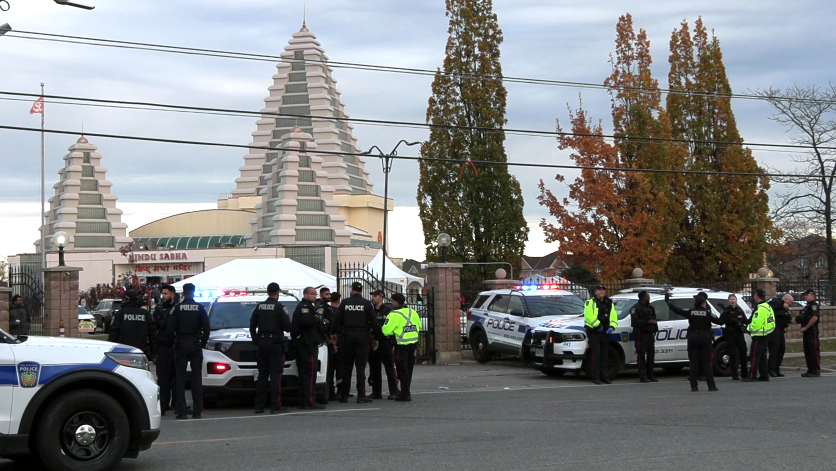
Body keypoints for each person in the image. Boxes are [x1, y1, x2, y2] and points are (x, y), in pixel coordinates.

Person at [165, 283, 210, 419]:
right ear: (194, 292)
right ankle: (197, 411)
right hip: (195, 343)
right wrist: (202, 343)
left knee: (180, 379)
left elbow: (169, 330)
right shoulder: (200, 308)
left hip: (181, 344)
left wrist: (174, 343)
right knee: (196, 378)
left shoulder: (177, 309)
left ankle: (182, 411)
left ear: (183, 293)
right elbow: (207, 329)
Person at [332, 281, 379, 403]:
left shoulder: (345, 303)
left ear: (352, 289)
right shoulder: (366, 303)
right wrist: (377, 338)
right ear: (361, 290)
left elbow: (336, 319)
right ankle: (361, 395)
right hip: (362, 336)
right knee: (360, 367)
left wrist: (333, 333)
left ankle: (344, 395)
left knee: (346, 367)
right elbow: (374, 322)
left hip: (347, 336)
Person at [666, 291, 721, 392]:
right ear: (704, 303)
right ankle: (711, 386)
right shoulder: (707, 313)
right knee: (707, 362)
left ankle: (694, 386)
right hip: (705, 337)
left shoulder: (691, 312)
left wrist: (668, 303)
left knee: (693, 362)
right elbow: (719, 321)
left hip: (693, 337)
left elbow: (678, 311)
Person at [250, 282, 291, 414]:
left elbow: (252, 324)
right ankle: (275, 405)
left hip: (262, 343)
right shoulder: (280, 307)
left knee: (262, 375)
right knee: (275, 376)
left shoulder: (260, 307)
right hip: (275, 344)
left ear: (267, 292)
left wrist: (256, 339)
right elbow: (287, 327)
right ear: (278, 292)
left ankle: (259, 406)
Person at [291, 286, 329, 409]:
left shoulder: (308, 306)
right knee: (310, 373)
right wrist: (318, 319)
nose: (315, 296)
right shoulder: (305, 307)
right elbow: (306, 321)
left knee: (305, 373)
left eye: (315, 294)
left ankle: (304, 400)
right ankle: (310, 401)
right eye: (312, 294)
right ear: (306, 295)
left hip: (305, 344)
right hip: (307, 345)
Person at [382, 293, 421, 402]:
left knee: (401, 369)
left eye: (392, 301)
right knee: (409, 369)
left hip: (401, 345)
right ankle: (406, 391)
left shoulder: (393, 314)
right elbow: (419, 326)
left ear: (395, 302)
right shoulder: (412, 312)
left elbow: (386, 331)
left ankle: (405, 394)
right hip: (413, 344)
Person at [108, 290, 158, 360]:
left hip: (123, 352)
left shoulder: (121, 313)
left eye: (123, 300)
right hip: (141, 352)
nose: (122, 302)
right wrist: (153, 352)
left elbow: (113, 333)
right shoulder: (145, 314)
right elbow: (153, 334)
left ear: (127, 300)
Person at [583, 284, 618, 385]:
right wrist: (598, 326)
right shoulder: (590, 302)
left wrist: (612, 326)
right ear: (595, 292)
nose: (602, 292)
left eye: (603, 290)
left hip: (605, 333)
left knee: (605, 355)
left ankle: (604, 376)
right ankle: (595, 377)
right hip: (595, 333)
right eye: (600, 290)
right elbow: (589, 316)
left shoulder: (609, 303)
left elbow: (614, 316)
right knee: (596, 355)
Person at [152, 284, 177, 415]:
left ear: (172, 294)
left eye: (166, 293)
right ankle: (164, 403)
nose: (164, 296)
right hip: (163, 347)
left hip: (175, 348)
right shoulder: (159, 309)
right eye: (163, 294)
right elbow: (153, 328)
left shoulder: (178, 309)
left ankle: (176, 403)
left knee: (176, 377)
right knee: (163, 378)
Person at [369, 290, 398, 400]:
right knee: (374, 368)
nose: (373, 298)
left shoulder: (388, 311)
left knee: (389, 367)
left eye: (375, 296)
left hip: (385, 342)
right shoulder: (371, 310)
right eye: (373, 296)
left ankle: (394, 391)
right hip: (374, 341)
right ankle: (376, 392)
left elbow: (390, 328)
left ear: (381, 297)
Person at [717, 294, 750, 380]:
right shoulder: (726, 311)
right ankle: (734, 374)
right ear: (728, 301)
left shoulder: (739, 310)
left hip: (739, 333)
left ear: (736, 300)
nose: (732, 301)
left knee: (743, 352)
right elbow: (721, 321)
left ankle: (744, 373)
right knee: (732, 354)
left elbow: (746, 321)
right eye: (731, 299)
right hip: (730, 334)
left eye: (734, 299)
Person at [746, 289, 775, 382]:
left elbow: (756, 324)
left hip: (759, 335)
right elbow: (772, 321)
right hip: (766, 334)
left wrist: (747, 328)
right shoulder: (768, 306)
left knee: (754, 355)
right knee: (762, 355)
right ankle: (764, 374)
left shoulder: (760, 308)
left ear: (756, 295)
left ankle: (752, 375)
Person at [629, 291, 658, 383]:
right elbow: (634, 322)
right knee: (641, 356)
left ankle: (651, 375)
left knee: (651, 355)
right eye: (647, 296)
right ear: (643, 297)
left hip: (650, 334)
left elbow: (654, 318)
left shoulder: (650, 307)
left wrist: (654, 327)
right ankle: (643, 376)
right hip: (641, 334)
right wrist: (646, 322)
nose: (649, 298)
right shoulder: (636, 308)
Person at [767, 294, 793, 377]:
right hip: (775, 329)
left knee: (781, 348)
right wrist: (782, 303)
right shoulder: (777, 301)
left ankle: (777, 368)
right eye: (790, 302)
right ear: (786, 299)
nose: (790, 304)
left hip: (781, 330)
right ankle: (771, 369)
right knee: (775, 349)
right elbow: (771, 306)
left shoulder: (785, 308)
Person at [797, 289, 821, 377]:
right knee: (807, 351)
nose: (805, 297)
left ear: (812, 295)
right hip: (806, 332)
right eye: (804, 295)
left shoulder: (814, 306)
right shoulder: (807, 306)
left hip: (812, 331)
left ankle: (816, 370)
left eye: (807, 295)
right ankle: (810, 369)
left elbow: (814, 318)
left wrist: (806, 327)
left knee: (813, 350)